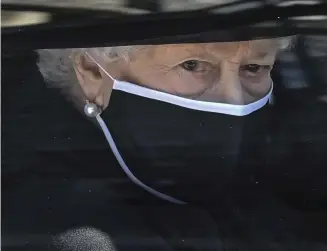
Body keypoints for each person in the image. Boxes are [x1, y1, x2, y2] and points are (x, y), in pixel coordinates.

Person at [3, 39, 302, 251]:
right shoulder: (63, 228)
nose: (234, 99)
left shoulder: (266, 185)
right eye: (192, 64)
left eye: (253, 68)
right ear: (91, 71)